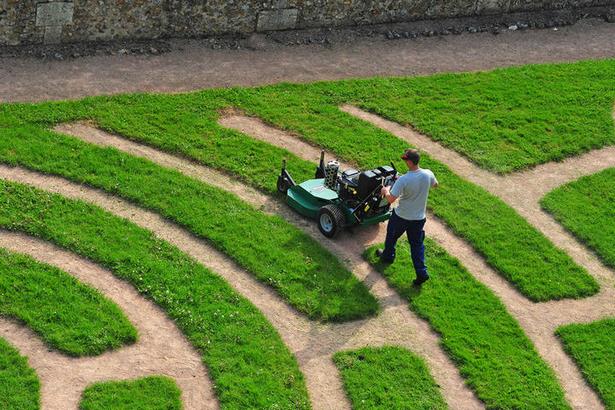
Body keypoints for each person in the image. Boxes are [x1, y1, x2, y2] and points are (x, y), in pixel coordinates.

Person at [377, 149, 438, 286]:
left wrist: (385, 191)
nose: (404, 161)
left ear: (410, 162)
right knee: (417, 246)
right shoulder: (428, 174)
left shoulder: (404, 179)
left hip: (401, 217)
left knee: (392, 237)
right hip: (419, 219)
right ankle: (422, 272)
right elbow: (435, 185)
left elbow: (391, 199)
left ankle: (388, 256)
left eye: (405, 159)